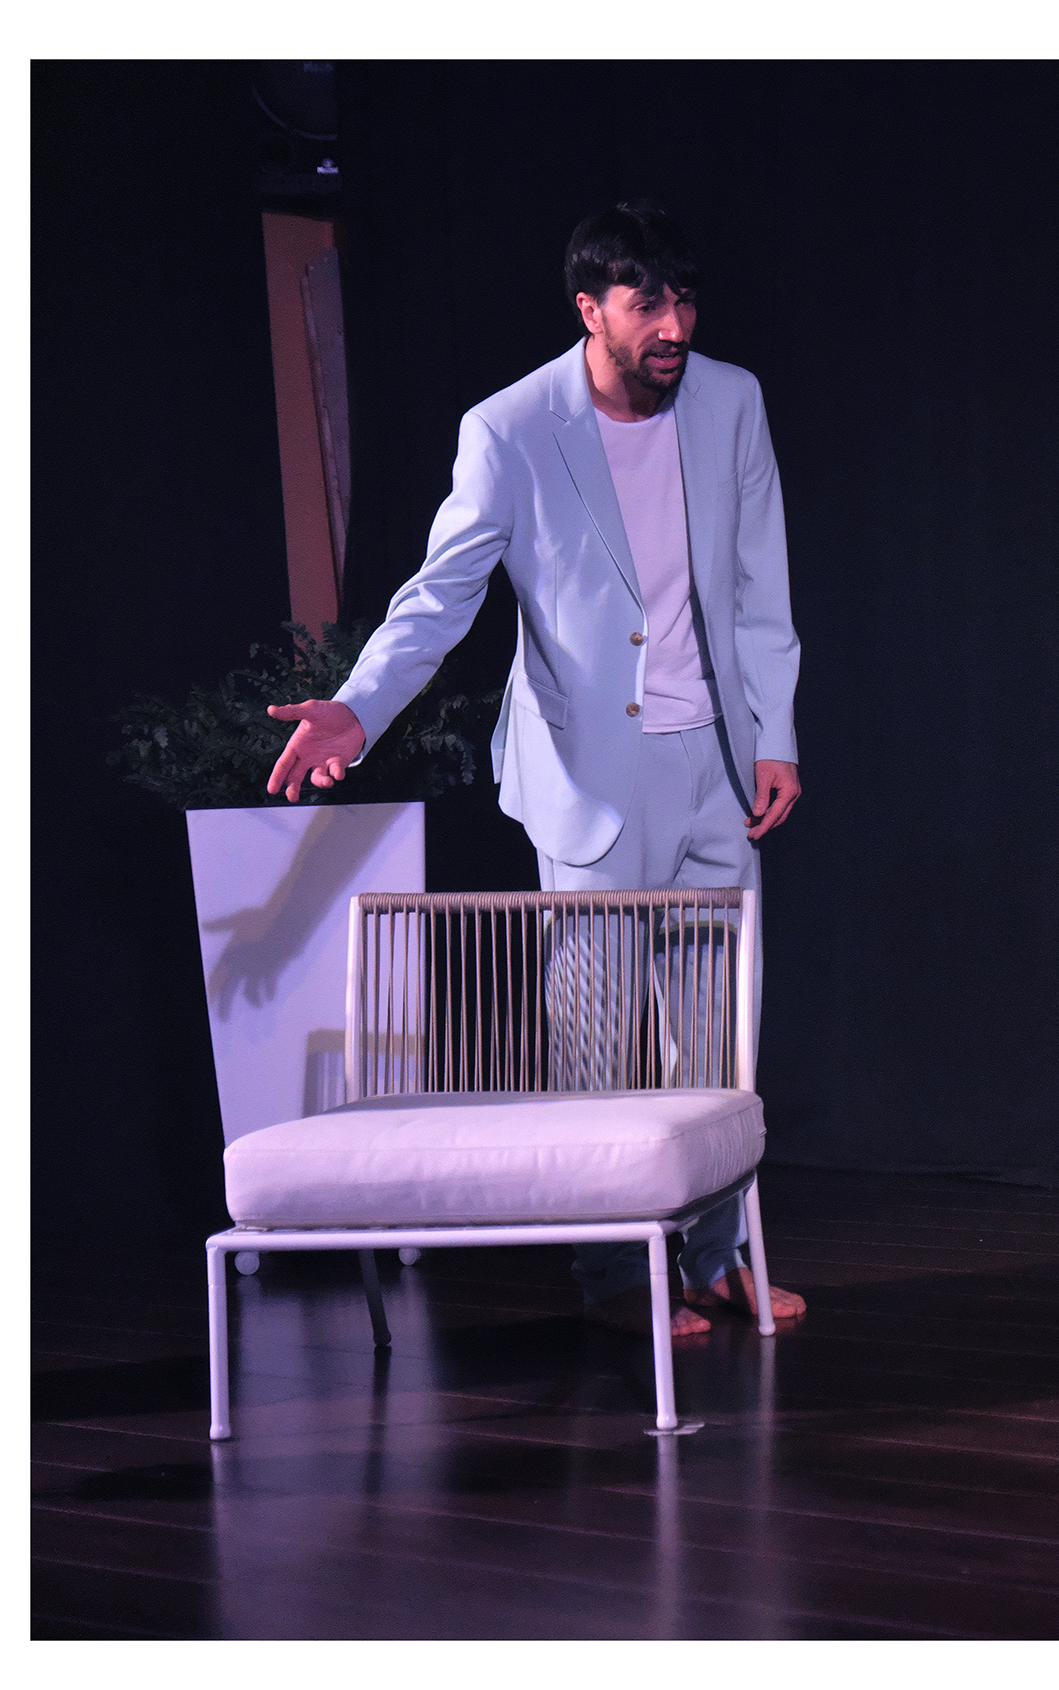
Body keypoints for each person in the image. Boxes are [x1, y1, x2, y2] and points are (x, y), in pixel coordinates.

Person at [264, 200, 807, 1340]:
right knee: (599, 1038)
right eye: (648, 304)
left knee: (718, 1034)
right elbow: (440, 596)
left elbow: (762, 584)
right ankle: (614, 1277)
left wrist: (775, 735)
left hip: (715, 765)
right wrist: (358, 709)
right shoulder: (511, 430)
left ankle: (715, 1257)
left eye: (685, 301)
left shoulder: (731, 402)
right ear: (589, 309)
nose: (674, 326)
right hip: (591, 780)